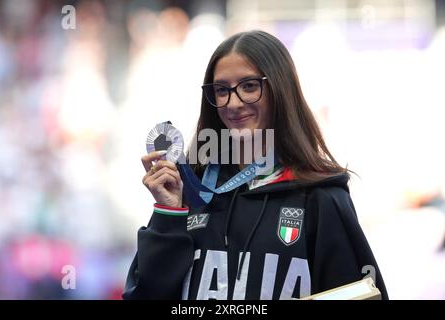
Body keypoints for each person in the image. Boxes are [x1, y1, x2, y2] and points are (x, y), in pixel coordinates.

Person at [122, 30, 388, 300]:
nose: (233, 103)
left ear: (279, 90)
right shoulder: (192, 193)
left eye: (249, 86)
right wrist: (169, 215)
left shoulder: (319, 196)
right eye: (221, 90)